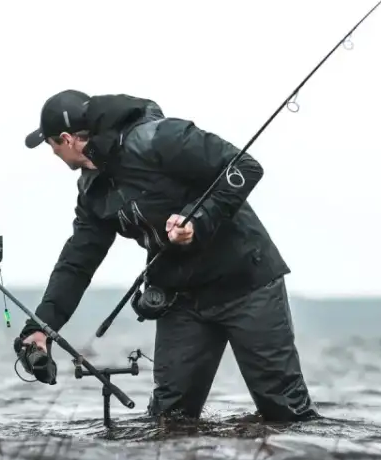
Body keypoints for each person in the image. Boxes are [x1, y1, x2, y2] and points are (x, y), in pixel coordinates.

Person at [17, 89, 320, 422]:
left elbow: (245, 167)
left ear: (66, 139)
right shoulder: (93, 191)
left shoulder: (161, 138)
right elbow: (76, 263)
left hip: (247, 284)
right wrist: (41, 327)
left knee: (286, 414)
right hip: (182, 299)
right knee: (169, 422)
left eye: (50, 146)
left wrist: (198, 218)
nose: (53, 153)